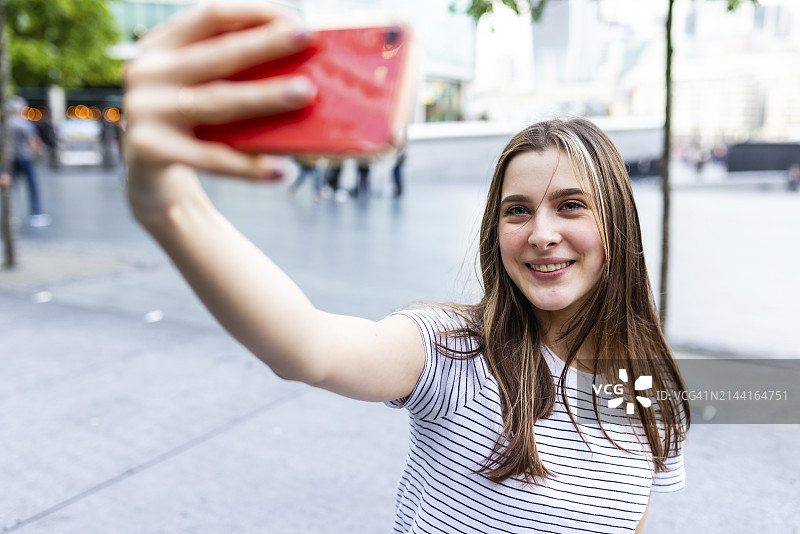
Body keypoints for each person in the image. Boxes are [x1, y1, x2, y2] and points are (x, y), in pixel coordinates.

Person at [123, 4, 690, 533]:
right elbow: (307, 345)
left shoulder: (651, 388)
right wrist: (170, 206)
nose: (541, 234)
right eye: (517, 211)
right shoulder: (454, 352)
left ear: (617, 224)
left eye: (570, 205)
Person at [9, 97, 50, 227]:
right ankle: (36, 213)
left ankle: (11, 215)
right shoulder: (24, 123)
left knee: (11, 188)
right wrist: (40, 151)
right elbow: (33, 141)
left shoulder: (5, 124)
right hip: (25, 158)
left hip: (11, 158)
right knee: (33, 186)